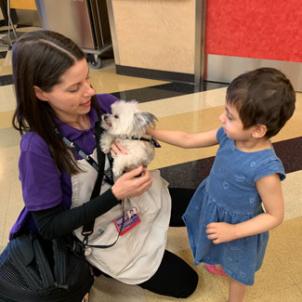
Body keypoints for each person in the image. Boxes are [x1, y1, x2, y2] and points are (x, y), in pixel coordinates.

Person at [9, 30, 198, 301]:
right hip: (95, 224)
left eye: (87, 78)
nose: (90, 91)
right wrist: (115, 195)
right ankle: (98, 267)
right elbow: (50, 227)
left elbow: (150, 136)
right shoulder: (37, 149)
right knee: (185, 283)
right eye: (74, 88)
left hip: (133, 200)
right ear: (40, 92)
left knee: (205, 204)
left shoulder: (103, 106)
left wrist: (139, 149)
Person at [147, 67, 296, 302]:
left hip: (240, 226)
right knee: (213, 240)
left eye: (230, 116)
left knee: (238, 269)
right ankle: (217, 260)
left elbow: (275, 216)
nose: (221, 119)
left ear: (258, 130)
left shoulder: (265, 170)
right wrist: (151, 130)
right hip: (214, 203)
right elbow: (189, 139)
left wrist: (234, 231)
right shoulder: (228, 135)